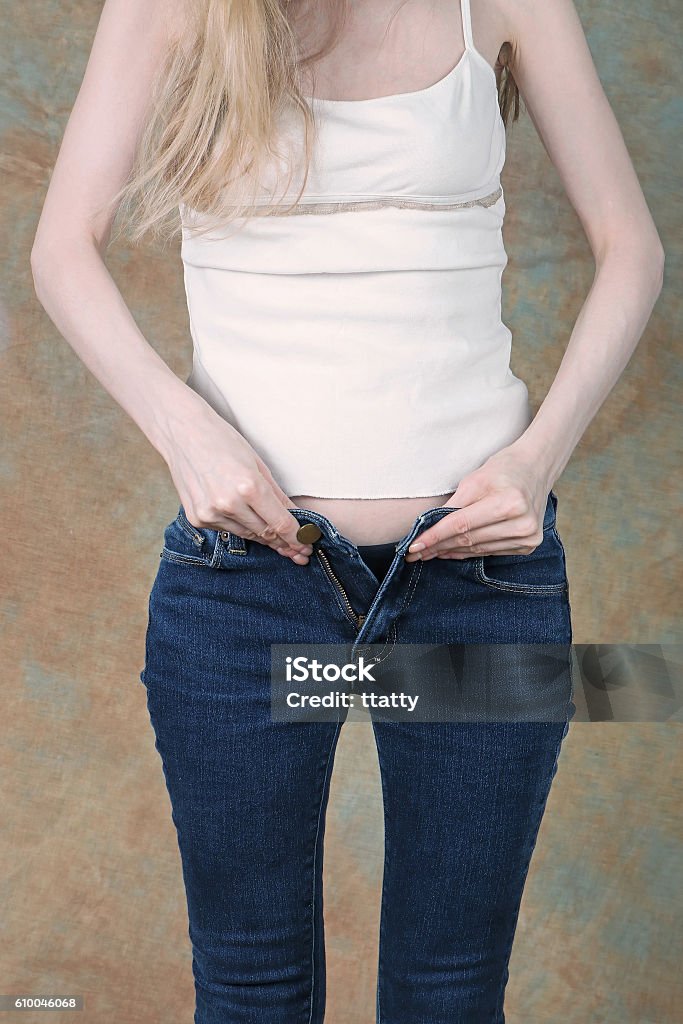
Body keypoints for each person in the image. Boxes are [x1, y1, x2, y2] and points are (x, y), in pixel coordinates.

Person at [31, 0, 664, 1020]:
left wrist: (534, 462)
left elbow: (629, 247)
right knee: (249, 991)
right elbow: (61, 246)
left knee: (450, 995)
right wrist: (184, 431)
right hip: (242, 585)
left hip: (479, 584)